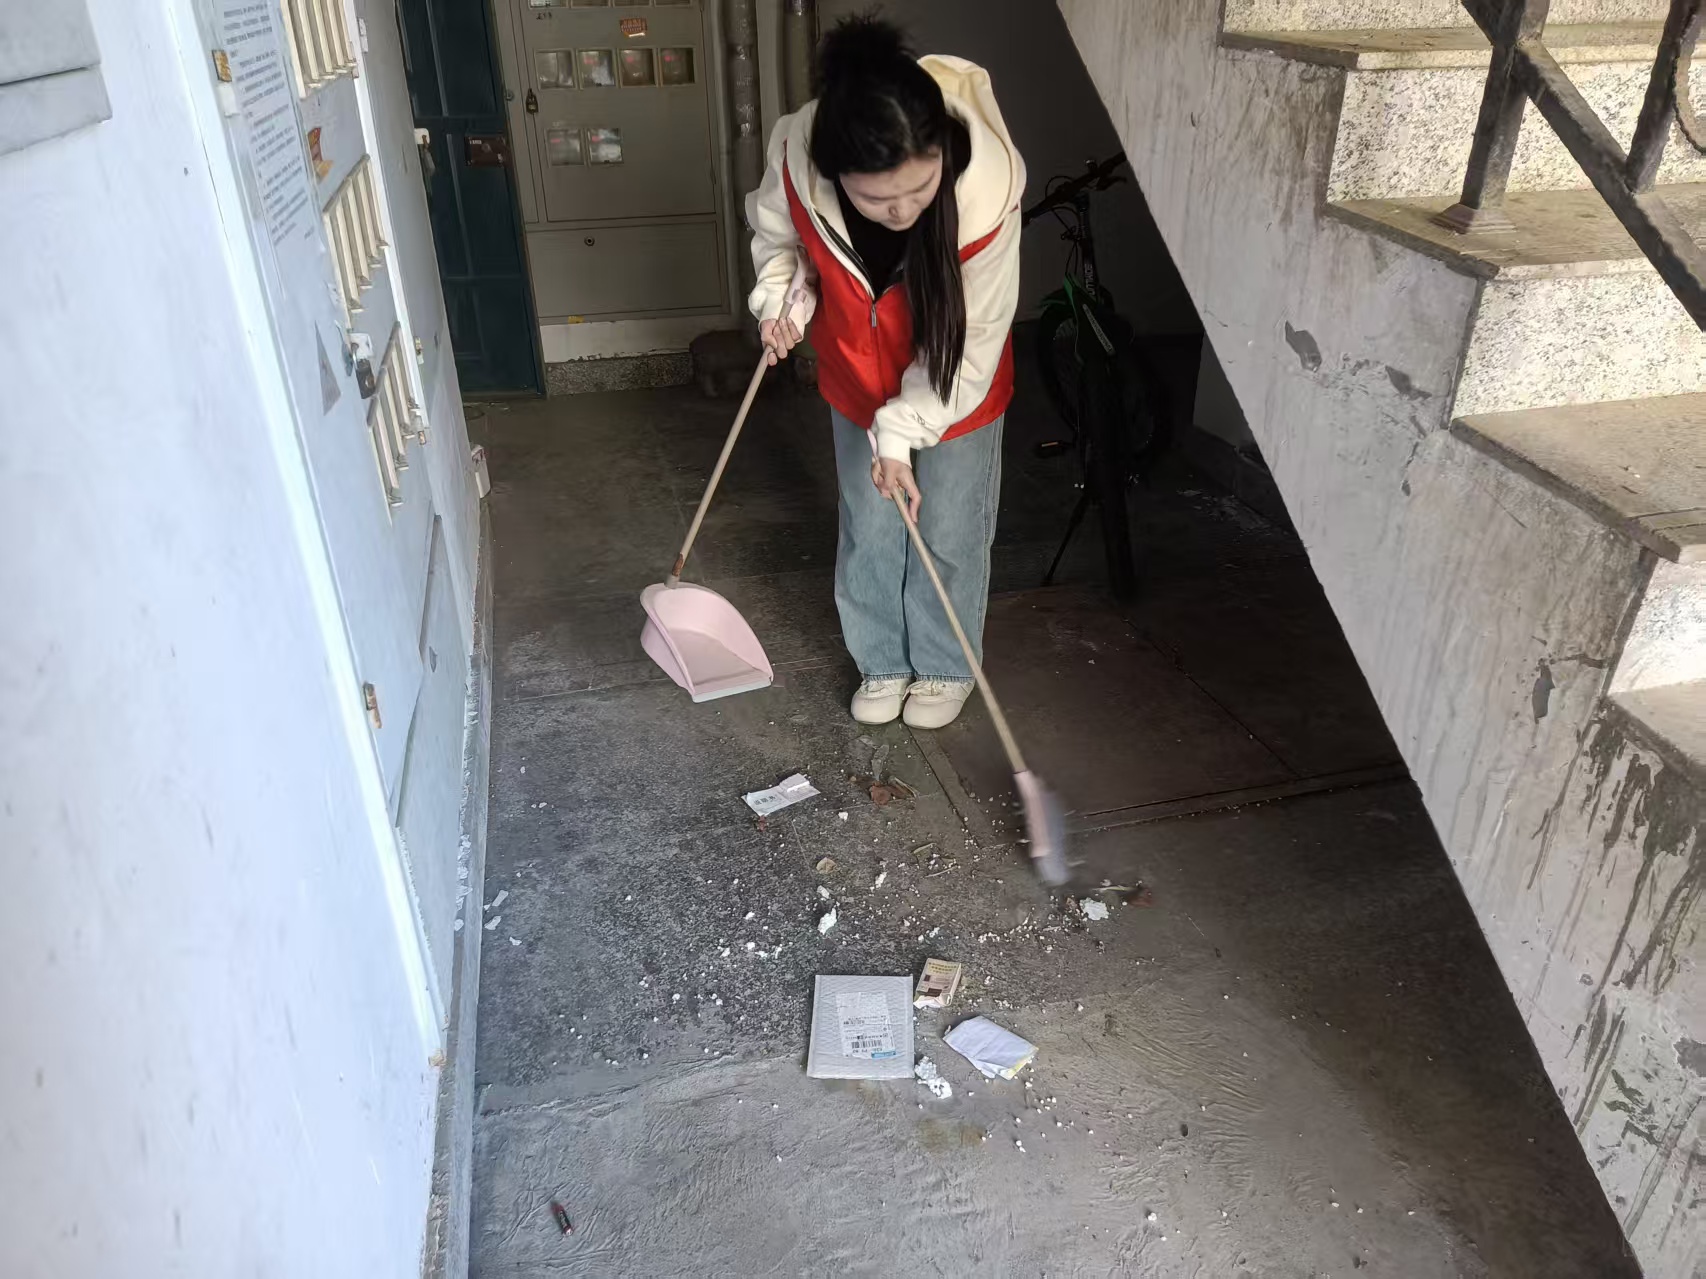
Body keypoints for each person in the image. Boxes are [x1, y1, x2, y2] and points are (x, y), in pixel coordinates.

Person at [745, 15, 1025, 730]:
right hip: (855, 374)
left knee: (950, 528)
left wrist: (900, 434)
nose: (900, 211)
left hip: (957, 384)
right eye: (875, 199)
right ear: (836, 173)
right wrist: (781, 302)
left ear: (941, 151)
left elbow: (974, 341)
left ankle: (944, 664)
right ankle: (881, 660)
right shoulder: (798, 156)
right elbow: (781, 241)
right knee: (870, 525)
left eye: (919, 188)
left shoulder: (986, 194)